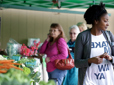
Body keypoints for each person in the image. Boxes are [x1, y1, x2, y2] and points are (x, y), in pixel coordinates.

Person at [74, 3, 114, 85]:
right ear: (96, 21)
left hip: (108, 81)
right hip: (89, 82)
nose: (108, 24)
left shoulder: (109, 35)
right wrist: (91, 60)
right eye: (105, 21)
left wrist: (110, 58)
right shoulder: (82, 36)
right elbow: (77, 63)